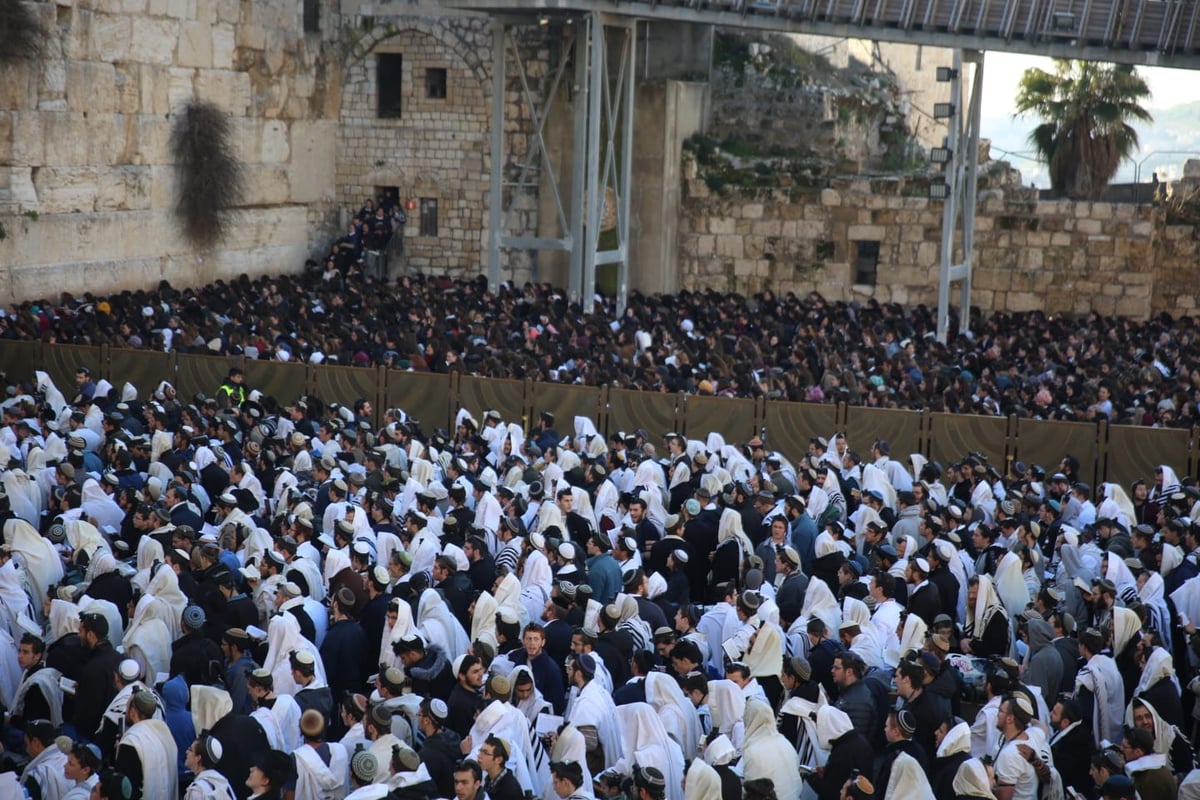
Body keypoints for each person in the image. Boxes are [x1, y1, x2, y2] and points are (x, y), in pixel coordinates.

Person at [184, 734, 238, 800]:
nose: (187, 752)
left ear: (198, 758)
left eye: (190, 750)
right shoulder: (222, 782)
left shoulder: (197, 791)